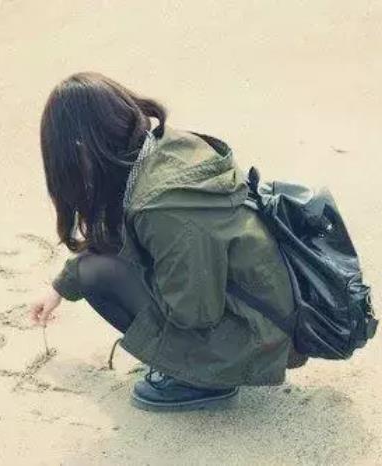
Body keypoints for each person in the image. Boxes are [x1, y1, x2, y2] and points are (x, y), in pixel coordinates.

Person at [30, 72, 306, 412]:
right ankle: (197, 366)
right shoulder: (165, 147)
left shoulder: (163, 207)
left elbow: (195, 311)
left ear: (82, 150)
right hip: (267, 315)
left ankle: (201, 381)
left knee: (96, 274)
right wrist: (60, 287)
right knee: (94, 267)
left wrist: (142, 275)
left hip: (258, 338)